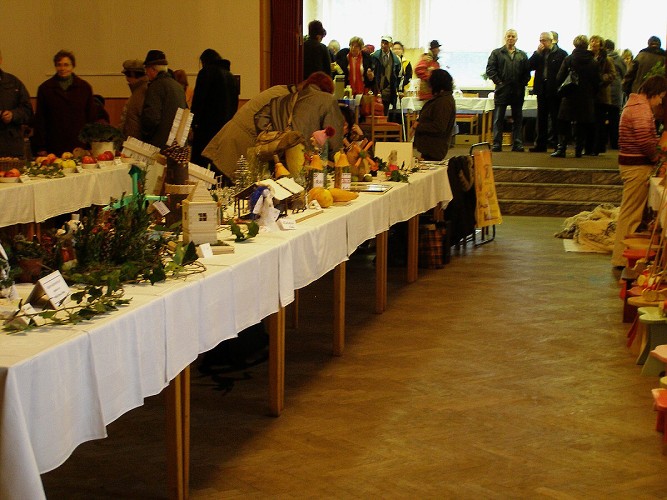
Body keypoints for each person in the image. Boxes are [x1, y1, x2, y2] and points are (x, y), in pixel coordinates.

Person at [610, 75, 667, 268]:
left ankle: (623, 257)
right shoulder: (641, 109)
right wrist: (656, 156)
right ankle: (622, 258)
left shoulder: (634, 105)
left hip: (631, 164)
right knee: (631, 214)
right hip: (636, 166)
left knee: (630, 212)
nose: (660, 102)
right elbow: (644, 141)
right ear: (654, 93)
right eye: (661, 97)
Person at [254, 71, 344, 158]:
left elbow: (259, 118)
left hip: (278, 159)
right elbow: (334, 142)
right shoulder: (328, 100)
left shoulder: (278, 101)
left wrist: (277, 135)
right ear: (327, 90)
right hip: (308, 159)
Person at [33, 49, 97, 155]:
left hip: (79, 143)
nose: (62, 68)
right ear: (55, 66)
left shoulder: (84, 87)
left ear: (73, 66)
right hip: (53, 144)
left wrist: (91, 144)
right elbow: (40, 119)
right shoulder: (45, 89)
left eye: (66, 65)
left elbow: (91, 117)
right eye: (59, 65)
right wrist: (41, 147)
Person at [551, 35, 600, 158]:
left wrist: (560, 90)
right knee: (582, 124)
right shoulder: (593, 62)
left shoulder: (569, 59)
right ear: (586, 45)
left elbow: (559, 77)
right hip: (586, 97)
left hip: (569, 95)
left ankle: (561, 148)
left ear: (574, 44)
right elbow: (597, 82)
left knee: (564, 122)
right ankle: (578, 149)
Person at [190, 48, 240, 169]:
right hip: (225, 128)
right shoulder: (231, 76)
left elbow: (199, 100)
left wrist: (193, 123)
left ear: (204, 61)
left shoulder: (206, 73)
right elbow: (235, 103)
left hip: (207, 127)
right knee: (218, 164)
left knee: (200, 165)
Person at [485, 29, 531, 152]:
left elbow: (527, 72)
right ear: (505, 38)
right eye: (508, 36)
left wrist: (522, 84)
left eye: (513, 36)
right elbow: (490, 69)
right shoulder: (496, 53)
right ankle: (496, 143)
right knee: (498, 118)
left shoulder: (522, 55)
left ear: (517, 39)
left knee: (518, 119)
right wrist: (499, 82)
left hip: (517, 91)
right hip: (502, 90)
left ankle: (517, 143)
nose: (511, 38)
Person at [528, 31, 567, 152]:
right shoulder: (539, 54)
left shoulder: (561, 54)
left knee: (555, 118)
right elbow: (529, 66)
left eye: (544, 40)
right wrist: (537, 53)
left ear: (551, 41)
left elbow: (565, 72)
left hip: (554, 90)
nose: (542, 43)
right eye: (540, 40)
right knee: (541, 118)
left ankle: (556, 144)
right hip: (541, 89)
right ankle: (540, 144)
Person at [140, 50, 187, 149]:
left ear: (153, 69)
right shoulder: (178, 86)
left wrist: (144, 136)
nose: (146, 73)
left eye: (147, 69)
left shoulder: (156, 87)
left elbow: (152, 118)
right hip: (177, 144)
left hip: (160, 144)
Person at [413, 69, 456, 161]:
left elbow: (439, 126)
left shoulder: (444, 102)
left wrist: (419, 126)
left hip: (435, 147)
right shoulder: (440, 99)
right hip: (430, 146)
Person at [0, 50, 33, 158]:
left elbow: (27, 110)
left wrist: (13, 115)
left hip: (11, 146)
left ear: (0, 60)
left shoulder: (13, 83)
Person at [587, 35, 616, 156]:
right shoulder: (587, 57)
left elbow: (612, 74)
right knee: (590, 122)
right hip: (589, 94)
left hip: (602, 95)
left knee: (599, 122)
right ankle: (589, 147)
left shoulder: (607, 59)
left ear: (601, 45)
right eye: (592, 41)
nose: (593, 43)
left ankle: (597, 147)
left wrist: (600, 79)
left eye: (596, 41)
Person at [604, 39, 626, 149]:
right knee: (614, 118)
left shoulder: (602, 58)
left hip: (604, 90)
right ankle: (614, 142)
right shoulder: (620, 59)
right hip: (616, 91)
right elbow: (624, 73)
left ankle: (602, 142)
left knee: (602, 117)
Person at [371, 35, 401, 115]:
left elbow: (397, 76)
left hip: (388, 91)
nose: (383, 45)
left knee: (385, 114)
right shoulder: (374, 56)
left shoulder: (396, 60)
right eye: (382, 42)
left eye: (386, 43)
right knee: (375, 114)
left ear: (391, 44)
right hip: (376, 90)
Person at [119, 59, 149, 139]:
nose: (127, 79)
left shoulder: (141, 92)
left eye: (127, 75)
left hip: (135, 141)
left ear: (132, 74)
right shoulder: (141, 90)